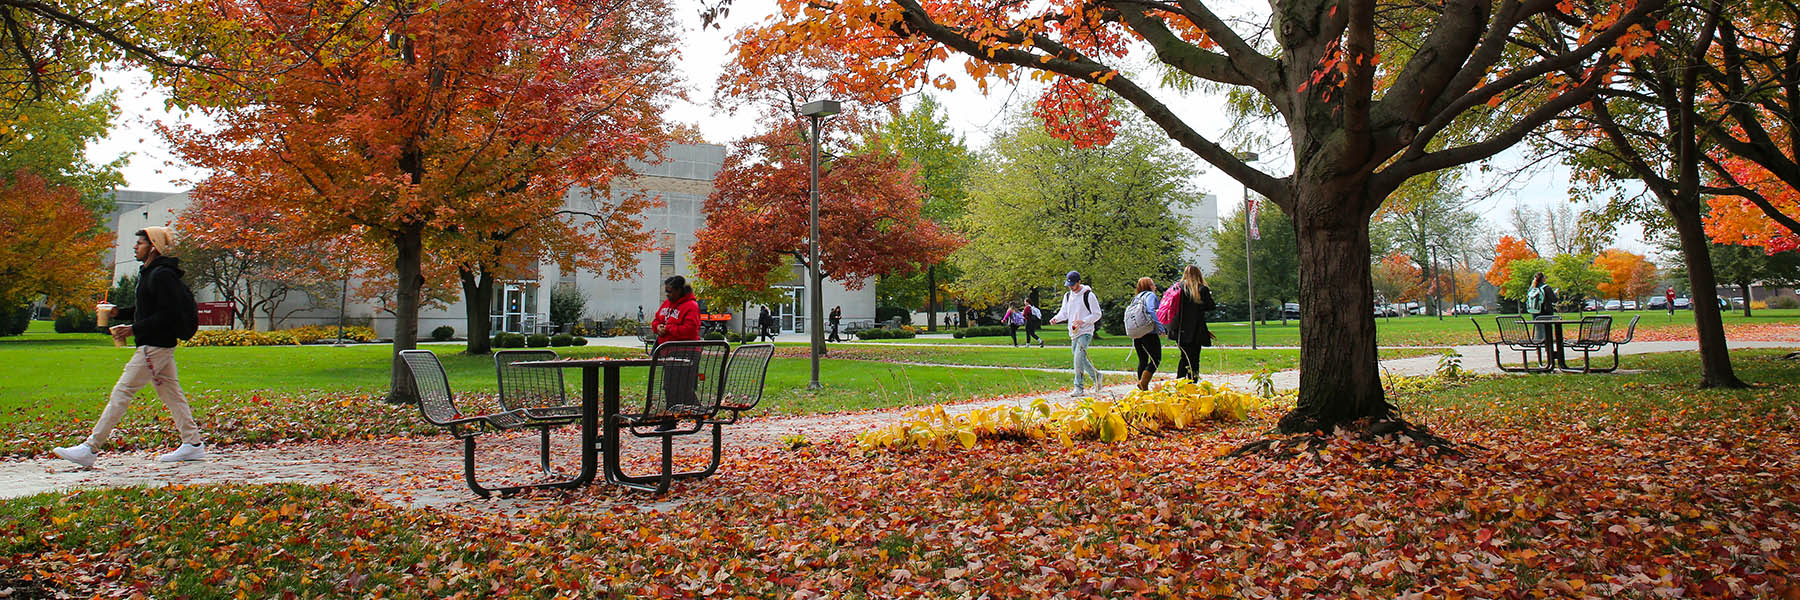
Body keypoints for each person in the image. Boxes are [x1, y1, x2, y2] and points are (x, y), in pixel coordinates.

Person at [54, 227, 205, 468]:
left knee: (122, 392)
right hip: (157, 344)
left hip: (154, 345)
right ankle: (193, 445)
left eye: (141, 243)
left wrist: (133, 329)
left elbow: (168, 314)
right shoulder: (150, 273)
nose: (135, 247)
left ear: (153, 246)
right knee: (172, 395)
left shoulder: (161, 275)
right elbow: (147, 308)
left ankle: (90, 448)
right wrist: (118, 313)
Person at [650, 276, 702, 423]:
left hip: (686, 352)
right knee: (670, 387)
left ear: (680, 290)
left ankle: (675, 419)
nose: (668, 295)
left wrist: (669, 329)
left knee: (682, 388)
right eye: (666, 292)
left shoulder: (691, 306)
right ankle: (692, 415)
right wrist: (657, 327)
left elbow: (691, 329)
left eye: (670, 292)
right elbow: (656, 319)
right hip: (668, 351)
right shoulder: (667, 304)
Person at [1049, 271, 1103, 396]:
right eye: (1069, 285)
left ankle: (1078, 387)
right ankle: (1097, 376)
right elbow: (1065, 313)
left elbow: (1097, 314)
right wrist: (1056, 319)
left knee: (1078, 357)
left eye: (1073, 284)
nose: (1071, 287)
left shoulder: (1089, 295)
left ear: (1079, 282)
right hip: (1073, 331)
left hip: (1085, 331)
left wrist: (1083, 321)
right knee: (1079, 358)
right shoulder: (1068, 296)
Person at [1169, 265, 1217, 381]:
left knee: (1184, 357)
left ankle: (1180, 382)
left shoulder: (1177, 289)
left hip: (1179, 329)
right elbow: (1211, 306)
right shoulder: (1201, 289)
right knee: (1194, 359)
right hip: (1196, 330)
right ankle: (1192, 383)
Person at [1130, 277, 1165, 391]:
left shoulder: (1136, 298)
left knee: (1143, 360)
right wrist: (1160, 327)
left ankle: (1142, 389)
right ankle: (1143, 383)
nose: (1155, 286)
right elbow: (1151, 310)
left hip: (1137, 332)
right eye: (1153, 284)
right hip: (1149, 333)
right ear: (1150, 286)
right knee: (1156, 358)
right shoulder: (1150, 296)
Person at [1525, 271, 1557, 347]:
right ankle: (1548, 347)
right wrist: (1555, 294)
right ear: (1542, 278)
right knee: (1547, 329)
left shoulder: (1532, 288)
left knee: (1538, 328)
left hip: (1535, 311)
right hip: (1546, 311)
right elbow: (1554, 299)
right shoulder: (1546, 288)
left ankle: (1538, 346)